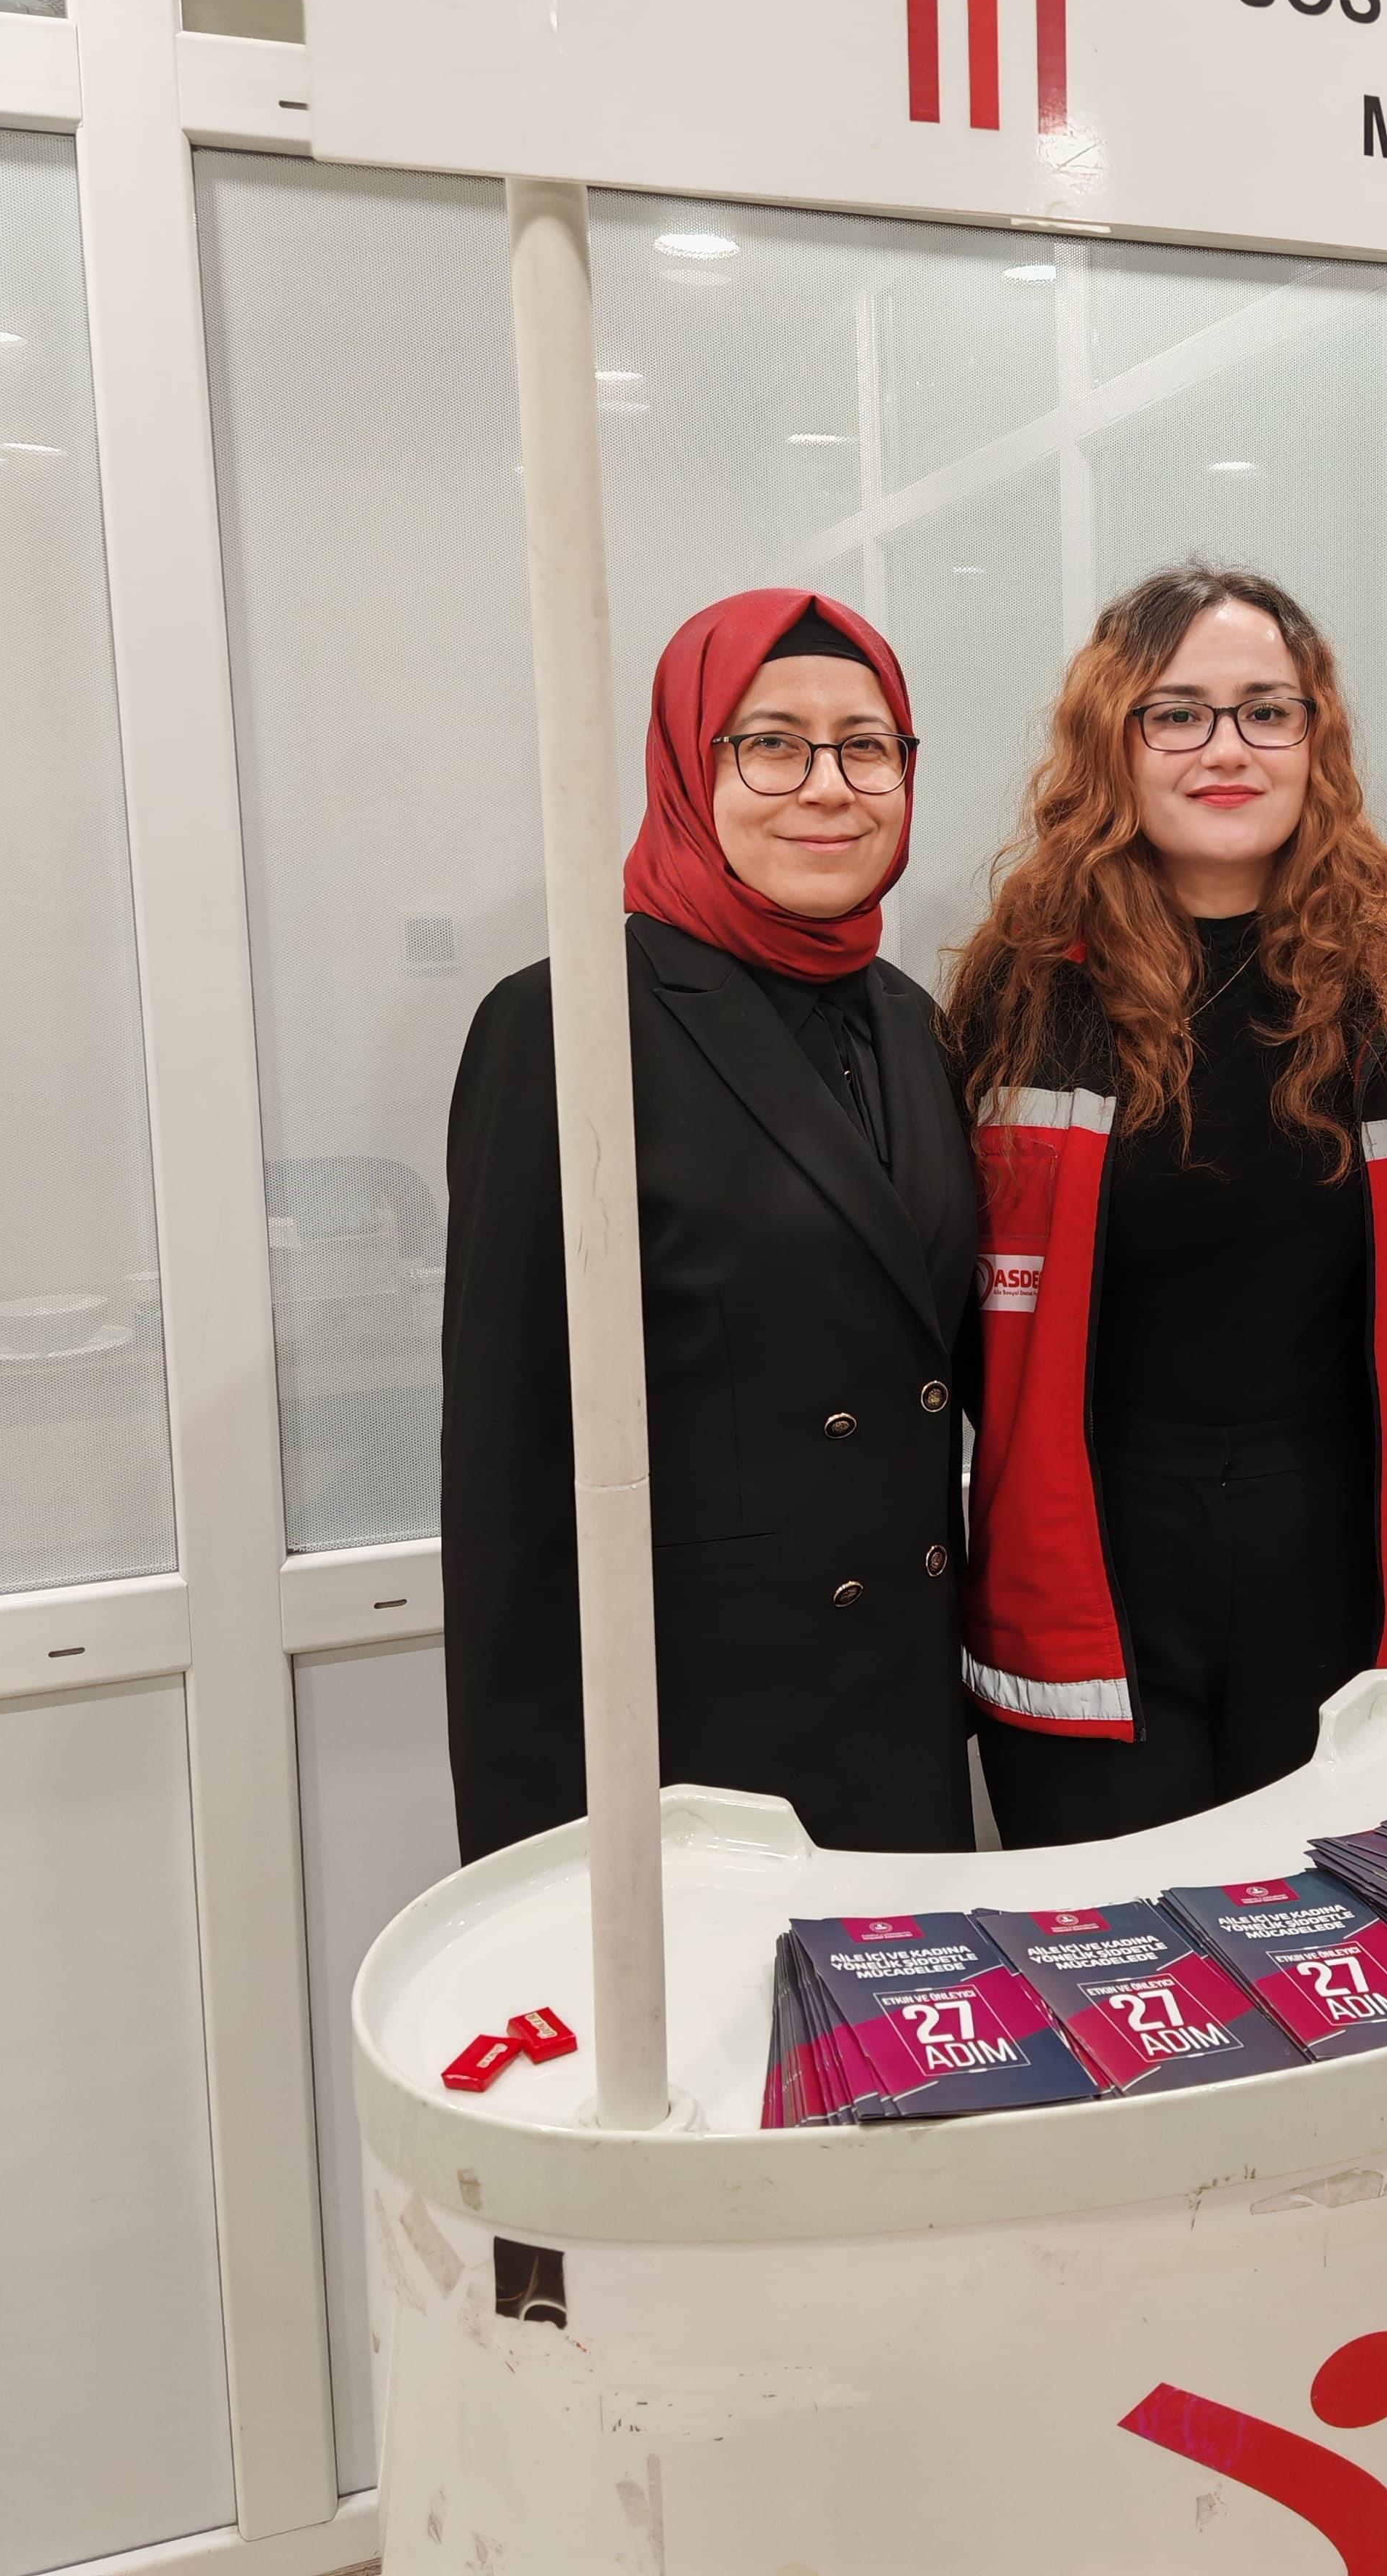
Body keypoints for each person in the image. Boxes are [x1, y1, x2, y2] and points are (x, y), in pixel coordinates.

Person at [946, 562, 1387, 1845]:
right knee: (1114, 1940)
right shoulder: (1020, 994)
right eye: (1177, 713)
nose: (1227, 749)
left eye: (1267, 711)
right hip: (1091, 1554)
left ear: (1316, 740)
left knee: (1323, 1933)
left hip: (1335, 1557)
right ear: (1115, 740)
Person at [441, 589, 977, 1862]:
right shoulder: (567, 1020)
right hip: (697, 1738)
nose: (829, 787)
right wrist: (537, 1850)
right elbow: (509, 1469)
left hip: (901, 1703)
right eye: (772, 744)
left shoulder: (910, 1019)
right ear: (691, 767)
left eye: (867, 746)